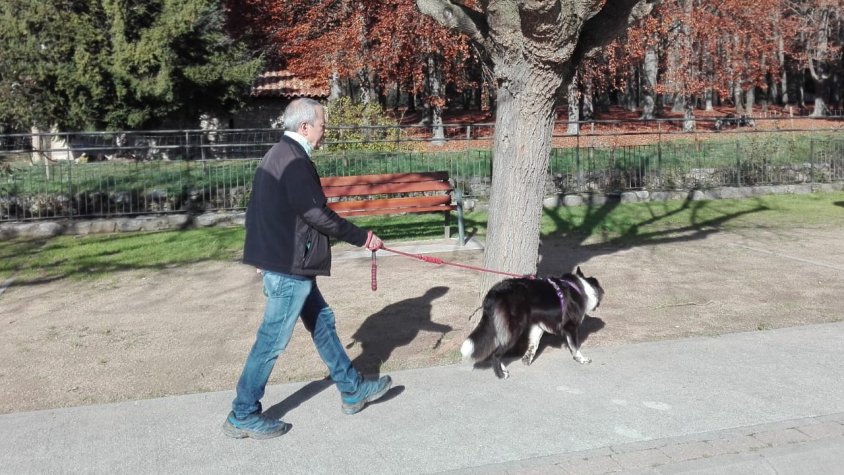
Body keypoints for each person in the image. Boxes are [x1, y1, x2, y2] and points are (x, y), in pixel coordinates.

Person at [222, 98, 392, 440]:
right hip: (288, 267)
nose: (323, 131)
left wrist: (260, 255)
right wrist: (362, 237)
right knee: (271, 341)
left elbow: (257, 210)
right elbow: (315, 214)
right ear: (305, 127)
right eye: (322, 125)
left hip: (287, 263)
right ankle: (243, 413)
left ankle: (351, 388)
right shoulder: (294, 161)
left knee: (323, 323)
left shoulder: (277, 155)